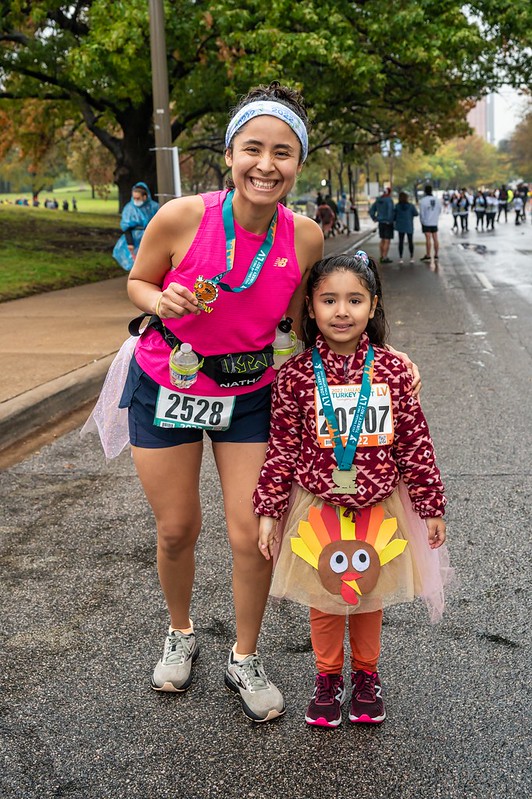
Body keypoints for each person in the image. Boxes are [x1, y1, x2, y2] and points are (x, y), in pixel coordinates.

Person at [87, 81, 421, 725]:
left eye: (283, 152)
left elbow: (311, 324)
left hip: (247, 394)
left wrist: (383, 361)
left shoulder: (303, 238)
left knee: (252, 534)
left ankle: (245, 655)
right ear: (231, 154)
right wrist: (160, 301)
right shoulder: (181, 216)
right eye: (252, 149)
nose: (266, 164)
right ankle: (180, 633)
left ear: (299, 163)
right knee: (178, 526)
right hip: (168, 386)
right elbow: (137, 278)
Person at [253, 252, 450, 728]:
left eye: (355, 300)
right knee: (325, 597)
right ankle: (327, 677)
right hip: (317, 504)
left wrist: (431, 506)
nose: (342, 311)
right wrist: (268, 511)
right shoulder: (296, 376)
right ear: (311, 308)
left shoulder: (393, 371)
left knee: (369, 595)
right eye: (329, 300)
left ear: (373, 306)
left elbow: (414, 441)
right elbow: (281, 447)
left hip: (378, 504)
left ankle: (366, 675)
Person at [112, 182, 159, 272]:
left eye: (138, 198)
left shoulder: (154, 207)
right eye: (134, 198)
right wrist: (130, 243)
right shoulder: (129, 208)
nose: (136, 200)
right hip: (134, 239)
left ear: (145, 197)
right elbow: (126, 226)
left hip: (150, 239)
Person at [369, 187, 394, 263]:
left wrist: (374, 218)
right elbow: (390, 211)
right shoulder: (389, 200)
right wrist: (390, 220)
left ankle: (381, 256)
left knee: (382, 239)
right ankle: (385, 257)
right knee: (387, 240)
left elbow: (371, 210)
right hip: (388, 222)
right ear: (389, 193)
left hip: (380, 222)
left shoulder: (378, 200)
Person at [393, 191, 418, 263]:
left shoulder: (397, 206)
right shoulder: (411, 206)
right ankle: (411, 257)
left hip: (400, 226)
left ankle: (401, 258)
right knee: (410, 241)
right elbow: (416, 214)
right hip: (409, 225)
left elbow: (394, 216)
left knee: (401, 242)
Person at [419, 185, 442, 261]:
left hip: (426, 222)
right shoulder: (437, 200)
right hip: (434, 221)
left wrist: (422, 221)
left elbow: (421, 213)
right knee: (435, 238)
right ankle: (436, 254)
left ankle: (428, 254)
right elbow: (439, 210)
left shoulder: (423, 201)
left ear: (425, 191)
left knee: (428, 239)